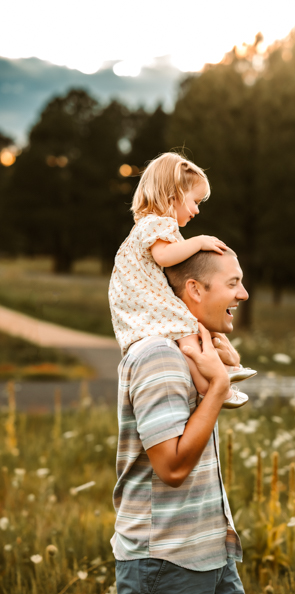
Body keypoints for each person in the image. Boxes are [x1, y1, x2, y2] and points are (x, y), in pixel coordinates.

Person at [112, 248, 250, 594]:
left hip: (211, 555)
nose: (243, 294)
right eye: (233, 283)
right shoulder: (159, 356)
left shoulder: (187, 354)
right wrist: (218, 387)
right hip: (166, 563)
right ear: (195, 289)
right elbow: (171, 468)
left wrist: (223, 373)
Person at [108, 152, 256, 408]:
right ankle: (213, 386)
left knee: (188, 330)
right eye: (195, 201)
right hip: (144, 300)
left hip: (141, 298)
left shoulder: (151, 226)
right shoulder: (157, 224)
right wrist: (198, 241)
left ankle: (222, 373)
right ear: (173, 195)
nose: (197, 210)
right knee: (185, 330)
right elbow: (165, 257)